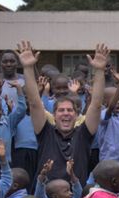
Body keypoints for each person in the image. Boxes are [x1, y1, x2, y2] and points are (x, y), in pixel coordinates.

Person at [18, 41, 108, 185]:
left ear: (77, 115)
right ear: (53, 116)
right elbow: (34, 103)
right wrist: (28, 68)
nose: (65, 113)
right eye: (61, 110)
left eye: (69, 110)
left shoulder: (83, 134)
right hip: (45, 197)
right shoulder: (45, 132)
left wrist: (99, 71)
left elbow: (96, 105)